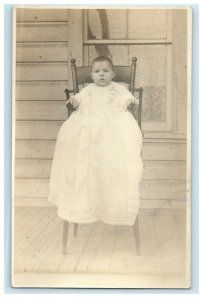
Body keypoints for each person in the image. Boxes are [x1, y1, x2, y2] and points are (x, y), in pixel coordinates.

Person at [48, 56, 143, 226]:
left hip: (112, 129)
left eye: (105, 71)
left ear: (113, 74)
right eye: (97, 72)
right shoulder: (88, 90)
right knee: (74, 140)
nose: (101, 75)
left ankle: (113, 206)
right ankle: (82, 205)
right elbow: (78, 100)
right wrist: (74, 100)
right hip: (90, 129)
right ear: (91, 76)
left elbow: (129, 98)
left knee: (117, 143)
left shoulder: (118, 89)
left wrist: (132, 101)